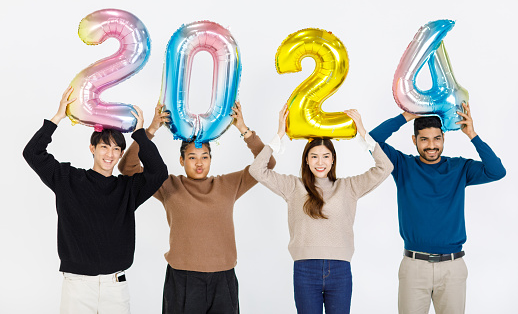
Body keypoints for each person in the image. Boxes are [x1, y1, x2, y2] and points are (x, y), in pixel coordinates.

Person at [118, 101, 275, 314]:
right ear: (181, 160)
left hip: (223, 278)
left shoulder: (227, 184)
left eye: (204, 157)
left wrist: (243, 129)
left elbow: (267, 164)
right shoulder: (167, 184)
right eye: (192, 157)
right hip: (182, 280)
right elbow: (127, 168)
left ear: (211, 159)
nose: (199, 163)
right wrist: (151, 130)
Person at [23, 87, 168, 314]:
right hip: (77, 287)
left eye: (116, 149)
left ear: (121, 154)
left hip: (115, 287)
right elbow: (32, 153)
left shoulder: (127, 189)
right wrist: (58, 116)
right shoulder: (67, 179)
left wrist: (140, 133)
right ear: (92, 148)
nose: (109, 154)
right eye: (104, 147)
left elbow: (158, 173)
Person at [248, 105, 393, 314]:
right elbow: (257, 170)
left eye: (326, 156)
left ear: (333, 159)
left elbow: (385, 168)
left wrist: (363, 133)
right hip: (305, 270)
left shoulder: (349, 187)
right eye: (314, 156)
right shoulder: (293, 186)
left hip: (340, 271)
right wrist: (279, 134)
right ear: (306, 160)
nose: (320, 162)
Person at [369, 102, 506, 314]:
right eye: (424, 139)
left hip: (453, 267)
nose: (431, 145)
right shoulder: (402, 166)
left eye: (436, 138)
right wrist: (406, 116)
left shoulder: (460, 168)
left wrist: (472, 134)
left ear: (443, 139)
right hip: (414, 266)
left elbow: (497, 171)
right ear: (414, 140)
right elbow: (372, 140)